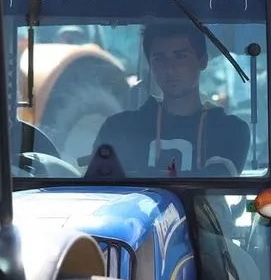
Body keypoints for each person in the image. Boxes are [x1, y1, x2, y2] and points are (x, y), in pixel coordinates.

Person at [91, 23, 250, 176]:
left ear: (203, 61)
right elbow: (98, 191)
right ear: (150, 65)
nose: (170, 68)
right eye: (160, 59)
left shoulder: (229, 130)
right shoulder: (118, 128)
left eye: (180, 56)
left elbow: (214, 191)